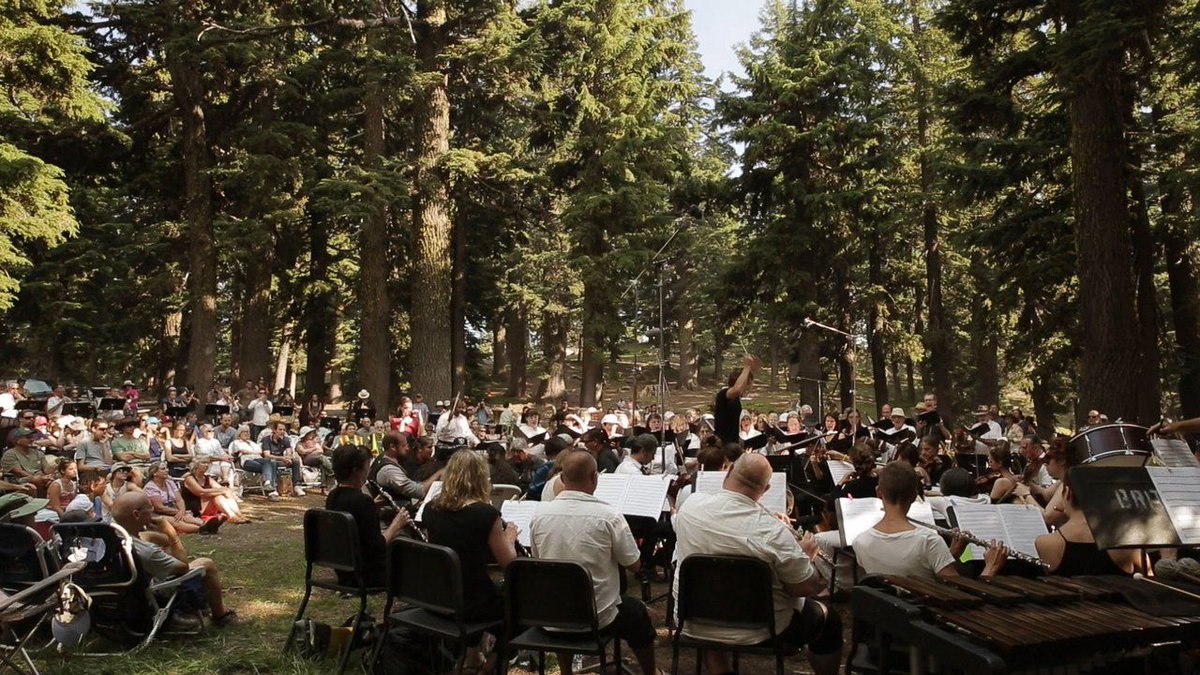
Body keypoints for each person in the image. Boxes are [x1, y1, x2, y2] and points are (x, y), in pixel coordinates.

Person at [672, 453, 842, 675]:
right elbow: (804, 587)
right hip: (763, 630)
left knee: (715, 597)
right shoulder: (772, 532)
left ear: (729, 471)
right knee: (830, 619)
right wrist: (805, 555)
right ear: (766, 489)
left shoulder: (691, 506)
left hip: (693, 619)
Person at [530, 451, 659, 675]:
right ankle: (651, 672)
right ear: (594, 477)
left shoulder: (540, 514)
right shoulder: (609, 516)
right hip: (596, 619)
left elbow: (539, 558)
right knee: (636, 613)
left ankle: (566, 671)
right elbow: (634, 565)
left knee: (564, 595)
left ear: (562, 478)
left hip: (550, 615)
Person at [854, 463, 1006, 580]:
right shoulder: (929, 541)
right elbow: (958, 597)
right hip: (924, 617)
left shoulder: (860, 541)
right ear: (914, 496)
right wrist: (991, 567)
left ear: (879, 493)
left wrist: (951, 554)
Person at [110, 491, 241, 626]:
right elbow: (183, 567)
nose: (153, 511)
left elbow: (154, 539)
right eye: (150, 508)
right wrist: (171, 533)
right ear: (137, 514)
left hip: (120, 591)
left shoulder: (108, 536)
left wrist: (161, 536)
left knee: (153, 540)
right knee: (206, 563)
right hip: (149, 593)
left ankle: (191, 604)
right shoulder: (146, 552)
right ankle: (220, 616)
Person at [422, 450, 519, 628]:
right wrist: (510, 537)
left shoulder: (430, 508)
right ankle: (496, 655)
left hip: (438, 597)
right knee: (520, 604)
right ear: (481, 477)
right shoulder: (485, 513)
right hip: (472, 602)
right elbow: (509, 563)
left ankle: (472, 653)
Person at [326, 445, 410, 587]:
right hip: (368, 575)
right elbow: (377, 547)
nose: (368, 471)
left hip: (345, 570)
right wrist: (397, 524)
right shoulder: (362, 501)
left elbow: (355, 518)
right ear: (355, 471)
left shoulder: (333, 496)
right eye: (366, 467)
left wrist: (372, 506)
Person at [143, 461, 212, 534]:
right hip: (157, 513)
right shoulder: (150, 487)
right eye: (163, 469)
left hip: (172, 509)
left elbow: (179, 499)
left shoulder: (169, 482)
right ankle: (202, 529)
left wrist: (182, 511)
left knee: (187, 517)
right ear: (155, 473)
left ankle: (205, 523)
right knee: (176, 521)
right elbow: (159, 508)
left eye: (166, 468)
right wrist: (178, 512)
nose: (167, 470)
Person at [370, 431, 440, 503]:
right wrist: (439, 474)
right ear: (393, 447)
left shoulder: (385, 459)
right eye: (404, 445)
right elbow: (418, 492)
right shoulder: (389, 470)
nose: (407, 448)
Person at [713, 354, 761, 445]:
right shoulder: (723, 394)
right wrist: (747, 366)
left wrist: (752, 369)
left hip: (732, 445)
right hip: (722, 446)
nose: (749, 388)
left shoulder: (736, 399)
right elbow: (737, 389)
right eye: (748, 385)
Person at [182, 458, 245, 523]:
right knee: (220, 495)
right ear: (196, 465)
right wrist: (222, 491)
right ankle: (232, 516)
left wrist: (225, 491)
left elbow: (220, 488)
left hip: (206, 505)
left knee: (222, 494)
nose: (206, 465)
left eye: (207, 463)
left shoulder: (207, 478)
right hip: (195, 507)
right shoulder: (190, 478)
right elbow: (201, 492)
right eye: (203, 463)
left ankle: (238, 514)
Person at [262, 422, 305, 497]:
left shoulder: (286, 439)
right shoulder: (267, 439)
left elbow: (289, 452)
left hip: (281, 460)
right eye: (280, 429)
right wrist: (282, 458)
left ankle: (297, 486)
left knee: (295, 461)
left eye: (284, 430)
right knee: (272, 462)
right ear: (274, 430)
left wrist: (288, 458)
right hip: (271, 461)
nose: (282, 432)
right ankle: (273, 488)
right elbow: (267, 455)